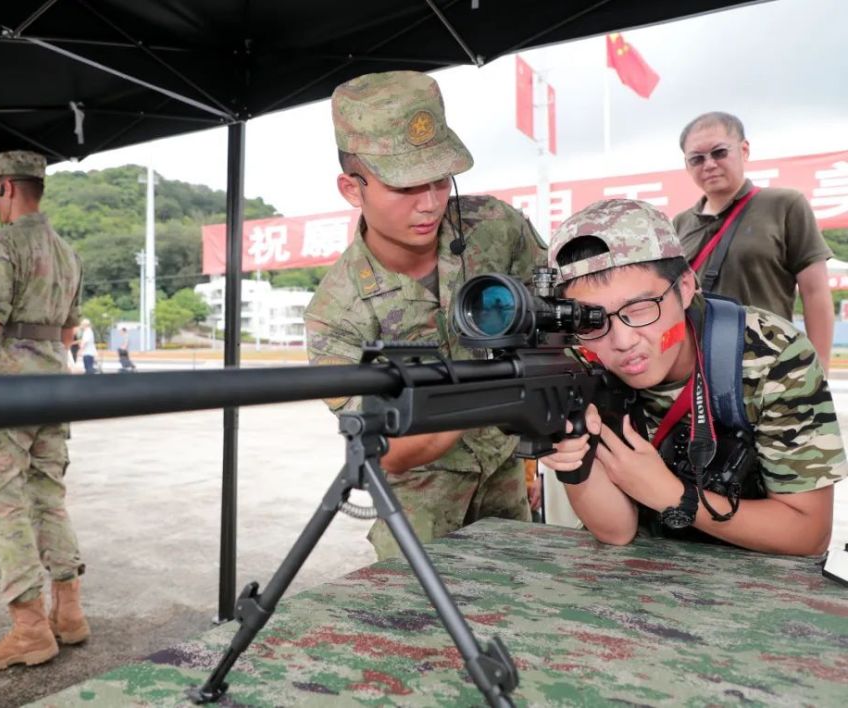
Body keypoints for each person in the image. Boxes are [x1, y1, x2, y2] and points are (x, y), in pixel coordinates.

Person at [304, 71, 546, 560]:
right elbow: (388, 453)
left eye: (440, 179)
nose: (432, 203)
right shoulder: (335, 315)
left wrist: (531, 449)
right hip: (417, 511)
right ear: (353, 189)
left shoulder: (495, 229)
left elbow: (549, 320)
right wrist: (489, 394)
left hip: (508, 484)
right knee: (420, 630)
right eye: (406, 187)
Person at [541, 199, 846, 555]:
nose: (622, 342)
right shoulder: (581, 364)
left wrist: (672, 495)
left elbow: (808, 535)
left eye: (640, 309)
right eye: (593, 321)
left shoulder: (769, 356)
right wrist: (575, 460)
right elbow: (618, 532)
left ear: (686, 287)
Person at [0, 150, 88, 669]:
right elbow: (68, 331)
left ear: (6, 188)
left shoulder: (8, 241)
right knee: (49, 499)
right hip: (54, 387)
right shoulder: (66, 251)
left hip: (8, 391)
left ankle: (30, 628)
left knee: (3, 504)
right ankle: (70, 614)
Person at [673, 111, 834, 371]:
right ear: (687, 165)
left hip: (768, 368)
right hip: (698, 370)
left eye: (719, 152)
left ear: (744, 150)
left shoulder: (785, 205)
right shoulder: (679, 224)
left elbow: (814, 292)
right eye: (697, 158)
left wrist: (819, 369)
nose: (709, 164)